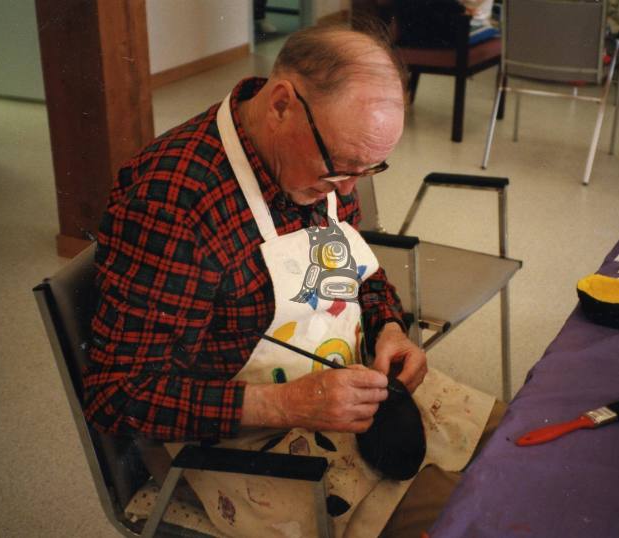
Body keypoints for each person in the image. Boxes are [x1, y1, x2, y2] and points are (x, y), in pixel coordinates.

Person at [84, 24, 498, 538]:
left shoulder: (317, 164)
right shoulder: (173, 203)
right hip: (249, 442)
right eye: (341, 170)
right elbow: (118, 395)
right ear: (281, 104)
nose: (349, 189)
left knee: (516, 442)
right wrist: (288, 404)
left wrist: (388, 324)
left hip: (345, 386)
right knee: (479, 518)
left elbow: (357, 270)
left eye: (370, 170)